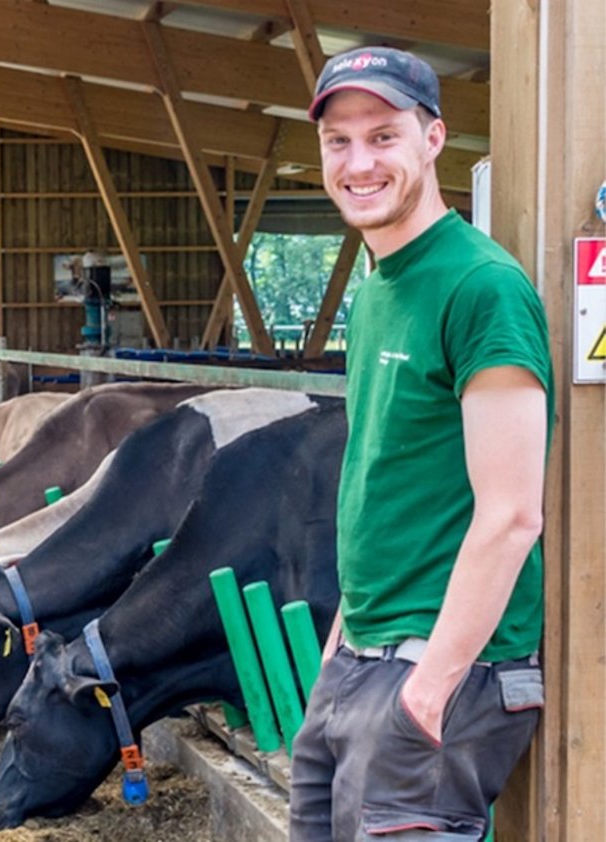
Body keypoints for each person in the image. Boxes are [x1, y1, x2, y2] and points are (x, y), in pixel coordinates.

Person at [288, 47, 554, 841]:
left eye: (383, 137)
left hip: (441, 668)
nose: (359, 163)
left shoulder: (481, 288)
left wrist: (429, 690)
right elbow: (382, 484)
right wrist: (340, 648)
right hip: (359, 660)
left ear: (433, 138)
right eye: (339, 142)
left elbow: (512, 516)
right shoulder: (377, 290)